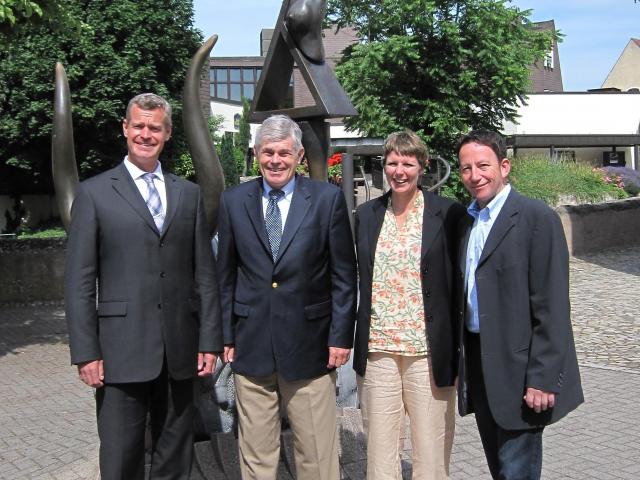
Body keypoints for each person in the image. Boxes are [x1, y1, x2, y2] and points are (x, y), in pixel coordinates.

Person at [65, 93, 222, 480]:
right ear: (125, 128)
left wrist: (209, 341)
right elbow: (80, 282)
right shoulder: (94, 193)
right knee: (121, 459)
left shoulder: (188, 194)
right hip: (120, 353)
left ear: (167, 133)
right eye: (138, 126)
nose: (145, 134)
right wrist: (86, 352)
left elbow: (205, 275)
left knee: (175, 458)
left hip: (180, 352)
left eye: (155, 127)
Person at [216, 114, 357, 479]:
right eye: (268, 152)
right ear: (256, 154)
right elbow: (225, 276)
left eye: (283, 153)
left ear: (299, 156)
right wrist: (225, 334)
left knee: (317, 456)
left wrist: (341, 337)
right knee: (256, 457)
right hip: (251, 347)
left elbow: (344, 276)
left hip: (311, 347)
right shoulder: (233, 201)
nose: (275, 160)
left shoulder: (326, 200)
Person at [456, 130, 584, 479]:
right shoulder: (468, 221)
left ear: (504, 166)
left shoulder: (536, 218)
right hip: (480, 365)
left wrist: (543, 378)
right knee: (500, 469)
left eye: (483, 165)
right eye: (466, 168)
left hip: (521, 371)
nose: (475, 175)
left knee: (517, 472)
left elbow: (552, 306)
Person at [353, 130, 465, 479]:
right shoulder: (366, 214)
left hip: (427, 351)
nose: (399, 171)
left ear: (422, 166)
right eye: (392, 163)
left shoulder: (448, 214)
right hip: (378, 350)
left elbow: (460, 286)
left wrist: (460, 352)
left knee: (431, 450)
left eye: (408, 163)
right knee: (380, 451)